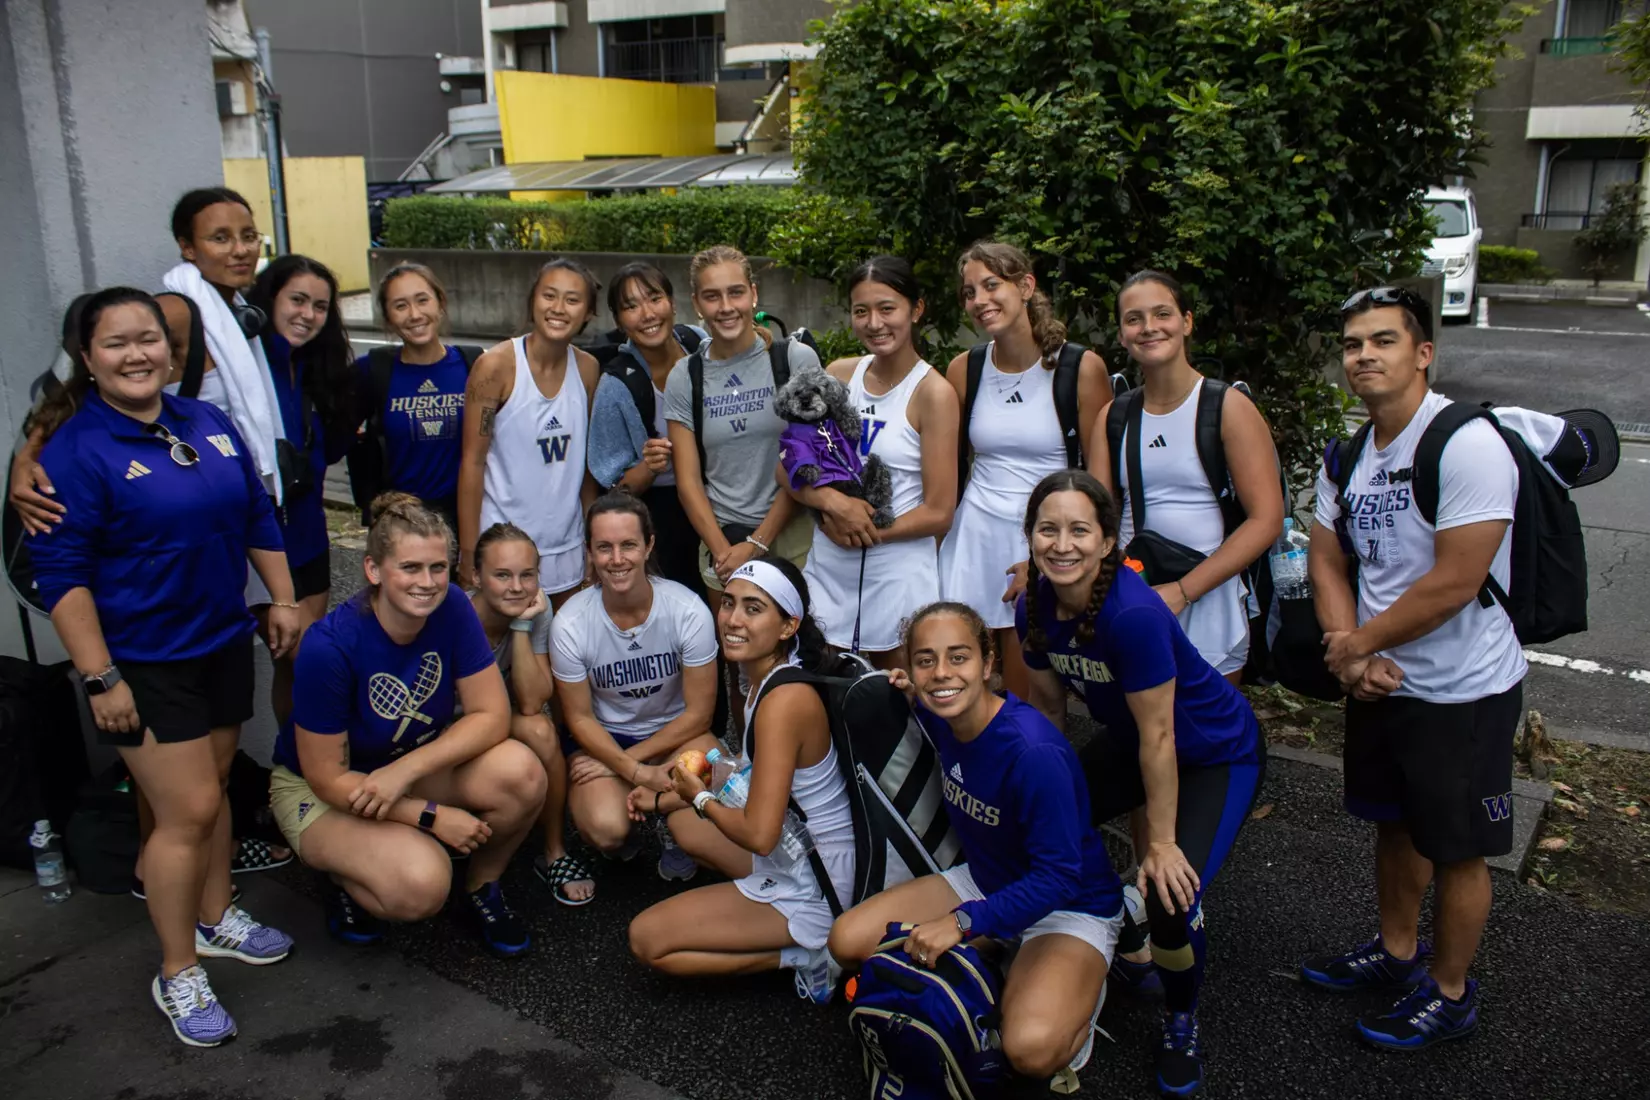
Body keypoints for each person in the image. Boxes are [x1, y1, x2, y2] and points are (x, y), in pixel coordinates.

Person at [27, 287, 299, 1048]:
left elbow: (254, 513)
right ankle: (177, 968)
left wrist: (280, 597)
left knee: (210, 796)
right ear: (87, 358)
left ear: (171, 350)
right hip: (143, 663)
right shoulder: (75, 451)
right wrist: (100, 676)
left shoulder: (203, 421)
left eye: (148, 339)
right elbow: (63, 576)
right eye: (116, 343)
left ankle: (215, 919)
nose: (138, 354)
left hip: (218, 640)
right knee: (186, 815)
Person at [1299, 287, 1526, 1050]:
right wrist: (1347, 646)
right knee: (1393, 826)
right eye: (1354, 343)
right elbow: (1326, 552)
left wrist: (1356, 646)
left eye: (1384, 341)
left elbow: (1456, 579)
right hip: (1378, 678)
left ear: (1423, 353)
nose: (1364, 355)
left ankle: (1451, 991)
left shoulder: (1465, 442)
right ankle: (1398, 955)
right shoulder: (1349, 450)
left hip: (1462, 687)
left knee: (1456, 845)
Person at [1017, 469, 1264, 1097]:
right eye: (1049, 529)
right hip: (1136, 743)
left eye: (1080, 530)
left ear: (1106, 542)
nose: (1062, 544)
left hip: (1214, 754)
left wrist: (1160, 842)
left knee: (1168, 893)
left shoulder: (1134, 614)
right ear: (1030, 537)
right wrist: (1047, 797)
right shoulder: (1034, 606)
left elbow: (1162, 738)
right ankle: (1123, 934)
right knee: (1050, 832)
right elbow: (1049, 713)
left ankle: (1181, 1016)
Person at [827, 601, 1124, 1090]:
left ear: (988, 663)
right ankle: (1002, 960)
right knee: (846, 941)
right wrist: (906, 688)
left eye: (958, 657)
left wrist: (962, 923)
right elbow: (924, 692)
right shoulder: (943, 711)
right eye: (926, 660)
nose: (942, 673)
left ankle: (1085, 980)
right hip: (984, 880)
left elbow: (1058, 877)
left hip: (1068, 907)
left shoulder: (1034, 753)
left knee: (1028, 1051)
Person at [269, 493, 546, 956]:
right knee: (422, 886)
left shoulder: (453, 606)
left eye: (438, 567)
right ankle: (341, 872)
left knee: (522, 772)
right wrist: (430, 816)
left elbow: (492, 715)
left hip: (399, 766)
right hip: (318, 790)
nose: (428, 582)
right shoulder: (329, 647)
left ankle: (482, 887)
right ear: (374, 571)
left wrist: (405, 773)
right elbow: (327, 777)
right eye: (411, 568)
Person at [626, 556, 852, 1004]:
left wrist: (701, 797)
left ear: (789, 626)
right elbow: (757, 775)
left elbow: (760, 836)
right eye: (728, 603)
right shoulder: (765, 679)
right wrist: (670, 800)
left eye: (753, 608)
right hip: (800, 847)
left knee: (647, 940)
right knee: (684, 824)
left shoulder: (783, 701)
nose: (732, 619)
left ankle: (807, 955)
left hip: (819, 879)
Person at [1089, 271, 1284, 683]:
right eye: (1134, 319)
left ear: (1187, 321)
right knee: (1143, 735)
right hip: (1136, 594)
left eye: (1163, 313)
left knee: (1207, 735)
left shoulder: (1226, 407)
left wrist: (1183, 591)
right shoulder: (1114, 416)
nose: (1149, 328)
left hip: (1212, 599)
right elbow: (1096, 519)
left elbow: (1265, 519)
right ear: (1122, 334)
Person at [938, 241, 1108, 699]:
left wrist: (1055, 557)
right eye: (969, 292)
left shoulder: (1080, 368)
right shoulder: (964, 369)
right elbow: (947, 468)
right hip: (971, 540)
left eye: (992, 285)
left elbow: (1099, 483)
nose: (979, 300)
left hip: (1043, 541)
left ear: (1026, 286)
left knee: (1024, 691)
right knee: (960, 680)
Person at [789, 257, 959, 670]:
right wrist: (834, 504)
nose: (874, 323)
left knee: (899, 703)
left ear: (916, 310)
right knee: (825, 691)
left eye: (887, 308)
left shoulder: (934, 393)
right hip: (829, 566)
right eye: (861, 311)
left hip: (897, 571)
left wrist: (865, 531)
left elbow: (939, 512)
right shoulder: (837, 374)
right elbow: (788, 466)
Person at [551, 493, 719, 889]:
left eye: (628, 544)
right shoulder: (571, 622)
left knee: (714, 785)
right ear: (589, 553)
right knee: (606, 830)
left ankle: (671, 826)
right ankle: (631, 832)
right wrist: (630, 767)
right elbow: (577, 717)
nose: (617, 558)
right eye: (604, 547)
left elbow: (699, 714)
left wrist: (626, 765)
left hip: (677, 731)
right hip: (608, 736)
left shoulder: (687, 609)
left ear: (649, 546)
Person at [663, 245, 818, 602]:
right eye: (712, 296)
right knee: (737, 651)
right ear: (697, 304)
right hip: (722, 543)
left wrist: (757, 544)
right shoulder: (686, 376)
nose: (726, 306)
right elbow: (687, 482)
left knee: (800, 647)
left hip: (795, 541)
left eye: (736, 292)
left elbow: (807, 463)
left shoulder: (794, 359)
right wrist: (724, 552)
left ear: (753, 293)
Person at [245, 255, 358, 723]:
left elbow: (325, 453)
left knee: (291, 668)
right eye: (297, 300)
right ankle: (314, 767)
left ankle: (294, 764)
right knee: (306, 661)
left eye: (319, 306)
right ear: (270, 298)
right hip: (261, 548)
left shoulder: (313, 369)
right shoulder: (244, 361)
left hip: (309, 540)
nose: (307, 315)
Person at [458, 258, 601, 597]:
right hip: (503, 547)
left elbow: (586, 467)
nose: (558, 308)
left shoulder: (587, 369)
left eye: (572, 299)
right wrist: (467, 552)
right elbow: (472, 462)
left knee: (560, 648)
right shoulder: (496, 366)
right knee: (500, 646)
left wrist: (591, 540)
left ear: (588, 314)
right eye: (549, 295)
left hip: (565, 547)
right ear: (532, 300)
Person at [466, 522, 582, 904]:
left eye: (526, 575)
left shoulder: (536, 606)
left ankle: (553, 852)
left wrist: (520, 627)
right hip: (453, 727)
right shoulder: (456, 617)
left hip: (499, 718)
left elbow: (533, 701)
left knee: (541, 730)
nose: (516, 587)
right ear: (476, 576)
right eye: (502, 575)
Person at [585, 261, 707, 595]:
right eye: (631, 306)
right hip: (663, 517)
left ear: (673, 302)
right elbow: (612, 487)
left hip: (720, 495)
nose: (647, 314)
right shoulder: (616, 384)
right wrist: (647, 468)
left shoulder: (699, 345)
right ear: (618, 320)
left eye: (654, 299)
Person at [353, 262, 473, 531]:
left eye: (422, 300)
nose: (415, 314)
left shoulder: (473, 365)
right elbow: (340, 438)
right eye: (400, 306)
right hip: (400, 523)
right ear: (387, 317)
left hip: (463, 519)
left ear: (440, 303)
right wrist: (372, 504)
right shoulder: (371, 371)